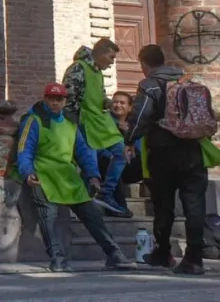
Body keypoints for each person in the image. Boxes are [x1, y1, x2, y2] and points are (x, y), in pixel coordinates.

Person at [16, 83, 135, 273]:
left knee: (92, 214)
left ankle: (114, 254)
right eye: (51, 99)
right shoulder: (34, 120)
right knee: (48, 216)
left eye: (59, 99)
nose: (55, 103)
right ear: (45, 99)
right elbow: (24, 149)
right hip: (42, 174)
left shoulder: (71, 122)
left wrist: (93, 176)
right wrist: (27, 171)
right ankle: (57, 258)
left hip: (68, 177)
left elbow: (84, 151)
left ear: (64, 101)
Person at [124, 44, 219, 275]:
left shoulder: (150, 85)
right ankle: (194, 258)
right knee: (194, 205)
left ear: (144, 63)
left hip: (164, 152)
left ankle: (163, 253)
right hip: (194, 151)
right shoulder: (186, 81)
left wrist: (129, 138)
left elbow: (141, 116)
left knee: (163, 204)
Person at [61, 38, 130, 216]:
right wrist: (73, 124)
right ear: (100, 53)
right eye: (111, 56)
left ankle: (106, 193)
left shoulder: (98, 72)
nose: (112, 62)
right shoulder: (78, 68)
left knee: (121, 153)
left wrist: (113, 104)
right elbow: (68, 97)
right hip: (83, 123)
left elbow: (99, 98)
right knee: (88, 165)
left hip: (98, 122)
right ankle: (86, 203)